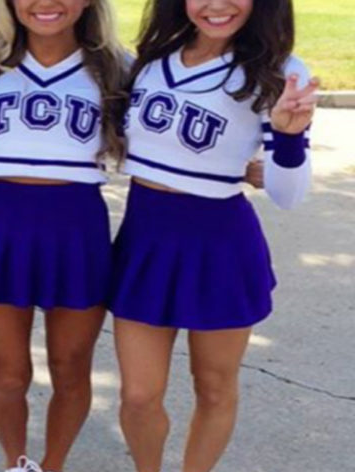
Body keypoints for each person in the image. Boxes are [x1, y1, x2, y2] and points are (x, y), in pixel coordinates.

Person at [110, 1, 317, 471]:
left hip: (219, 246)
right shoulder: (152, 60)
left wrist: (288, 138)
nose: (216, 5)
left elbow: (288, 194)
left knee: (214, 387)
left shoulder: (278, 70)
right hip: (146, 240)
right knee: (139, 395)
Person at [0, 1, 127, 471]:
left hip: (76, 225)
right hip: (2, 223)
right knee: (8, 374)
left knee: (70, 369)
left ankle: (52, 464)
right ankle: (16, 463)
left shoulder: (116, 66)